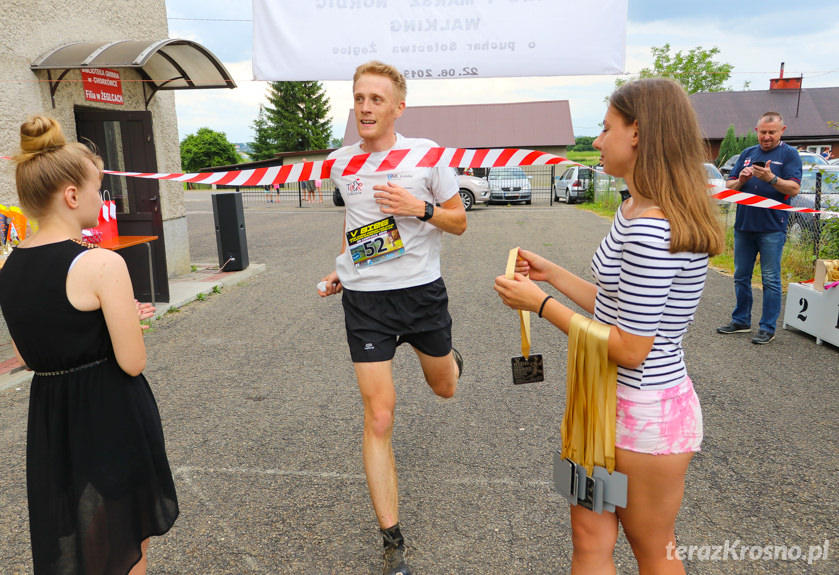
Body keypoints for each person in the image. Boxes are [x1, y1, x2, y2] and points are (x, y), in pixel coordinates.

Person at [494, 78, 723, 574]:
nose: (596, 141)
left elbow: (630, 347)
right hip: (601, 408)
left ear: (637, 133)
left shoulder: (651, 227)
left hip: (643, 417)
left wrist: (541, 303)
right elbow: (615, 305)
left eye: (605, 128)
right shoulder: (632, 209)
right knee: (588, 542)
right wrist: (552, 274)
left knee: (652, 549)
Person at [0, 116, 179, 575]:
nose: (105, 198)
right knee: (124, 535)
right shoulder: (99, 262)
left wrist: (105, 322)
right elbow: (132, 361)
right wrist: (127, 325)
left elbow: (27, 353)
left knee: (84, 536)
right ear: (72, 195)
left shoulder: (11, 268)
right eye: (99, 188)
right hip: (109, 409)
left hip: (54, 414)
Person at [317, 60, 466, 575]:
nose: (364, 106)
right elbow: (352, 219)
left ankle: (449, 358)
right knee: (380, 415)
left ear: (398, 107)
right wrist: (341, 267)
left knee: (444, 387)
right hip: (366, 303)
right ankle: (392, 541)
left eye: (376, 99)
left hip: (422, 297)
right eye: (359, 97)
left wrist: (417, 208)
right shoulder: (341, 163)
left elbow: (460, 221)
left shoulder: (428, 156)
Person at [716, 111, 802, 344]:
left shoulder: (790, 154)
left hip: (772, 227)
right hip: (744, 225)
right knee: (741, 276)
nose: (766, 137)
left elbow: (793, 190)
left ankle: (767, 327)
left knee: (771, 278)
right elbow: (729, 187)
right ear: (757, 131)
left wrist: (771, 179)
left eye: (771, 132)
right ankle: (741, 320)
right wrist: (741, 180)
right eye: (762, 132)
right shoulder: (747, 153)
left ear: (781, 131)